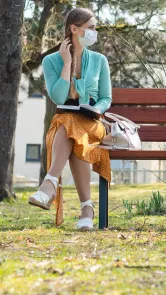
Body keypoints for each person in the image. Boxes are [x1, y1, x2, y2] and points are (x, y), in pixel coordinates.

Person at [28, 7, 112, 231]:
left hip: (93, 122)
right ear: (74, 29)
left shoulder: (100, 60)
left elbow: (106, 98)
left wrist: (96, 109)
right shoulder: (51, 61)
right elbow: (57, 97)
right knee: (71, 129)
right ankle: (87, 209)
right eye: (91, 28)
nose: (95, 32)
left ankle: (49, 185)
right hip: (66, 122)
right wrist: (66, 64)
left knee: (70, 127)